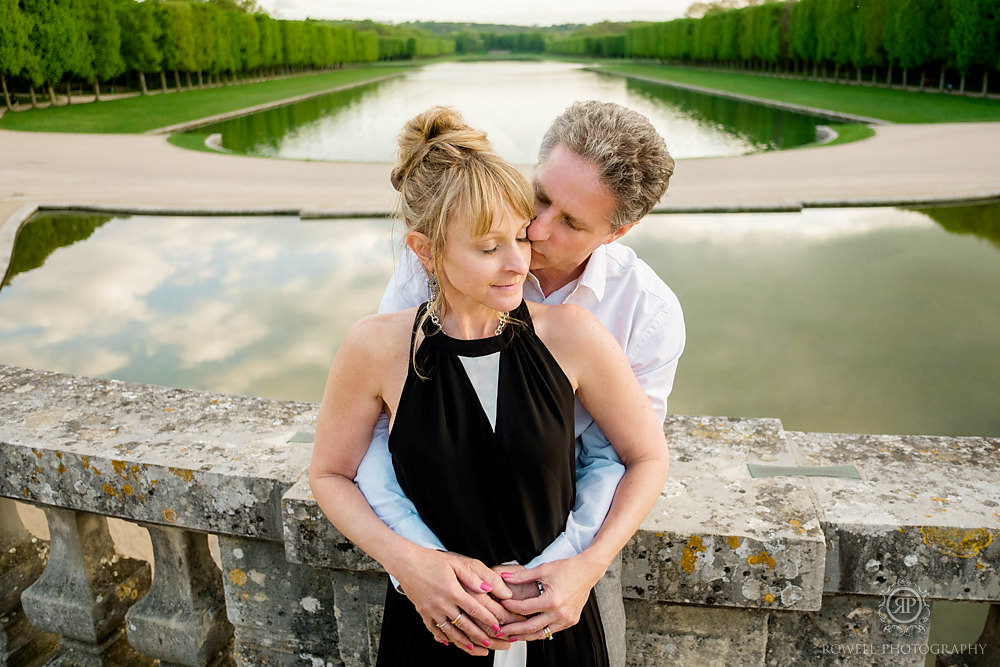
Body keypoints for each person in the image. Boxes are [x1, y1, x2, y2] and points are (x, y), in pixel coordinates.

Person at [309, 106, 670, 666]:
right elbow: (360, 451)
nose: (531, 243)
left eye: (571, 223)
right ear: (427, 253)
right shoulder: (390, 324)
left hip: (559, 582)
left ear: (616, 232)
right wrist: (413, 561)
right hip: (436, 604)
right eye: (539, 201)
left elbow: (627, 456)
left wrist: (581, 564)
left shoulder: (618, 321)